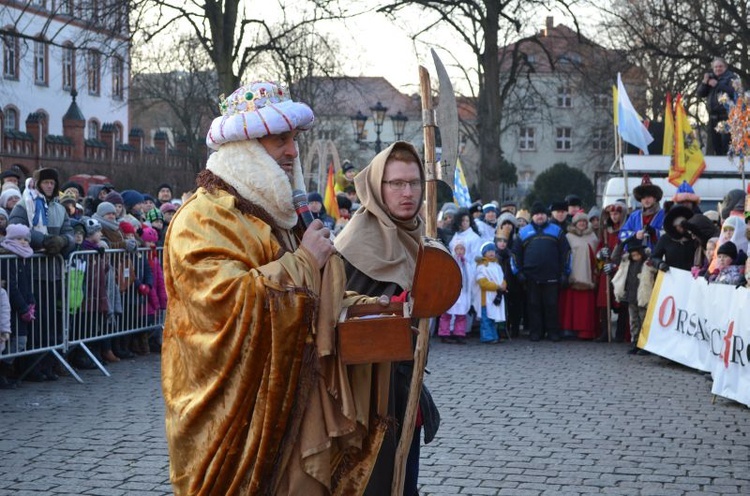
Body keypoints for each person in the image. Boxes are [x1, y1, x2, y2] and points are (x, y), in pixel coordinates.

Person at [162, 81, 386, 495]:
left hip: (291, 397)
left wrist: (371, 307)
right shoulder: (203, 218)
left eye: (294, 139)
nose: (292, 151)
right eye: (279, 140)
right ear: (245, 147)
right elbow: (222, 306)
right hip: (233, 417)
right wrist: (303, 262)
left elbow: (316, 289)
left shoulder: (275, 216)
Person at [334, 141, 440, 496]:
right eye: (395, 184)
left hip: (404, 389)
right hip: (368, 399)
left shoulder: (417, 236)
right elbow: (341, 318)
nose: (407, 192)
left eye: (413, 183)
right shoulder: (355, 243)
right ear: (377, 187)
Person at [511, 201, 571, 342]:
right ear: (532, 216)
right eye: (537, 214)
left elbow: (566, 253)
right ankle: (536, 332)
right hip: (531, 277)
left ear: (547, 216)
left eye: (542, 214)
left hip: (552, 276)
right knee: (533, 305)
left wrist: (565, 273)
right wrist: (518, 273)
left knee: (551, 305)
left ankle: (553, 332)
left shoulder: (556, 231)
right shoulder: (523, 232)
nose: (540, 217)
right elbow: (515, 254)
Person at [612, 237, 655, 355]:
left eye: (637, 255)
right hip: (631, 296)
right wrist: (622, 244)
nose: (635, 257)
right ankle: (635, 343)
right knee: (634, 321)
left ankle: (645, 345)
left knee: (644, 321)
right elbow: (614, 258)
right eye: (633, 255)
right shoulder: (626, 262)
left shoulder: (648, 263)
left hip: (643, 296)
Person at [559, 212, 599, 340]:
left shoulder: (592, 237)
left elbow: (597, 255)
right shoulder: (568, 237)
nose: (582, 224)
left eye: (584, 221)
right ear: (575, 224)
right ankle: (569, 329)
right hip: (574, 274)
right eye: (579, 222)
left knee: (586, 307)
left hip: (588, 275)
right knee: (571, 304)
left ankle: (585, 331)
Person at [696, 57, 736, 155]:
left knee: (726, 144)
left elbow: (734, 92)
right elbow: (700, 93)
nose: (718, 69)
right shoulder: (711, 79)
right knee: (715, 145)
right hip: (713, 117)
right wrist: (705, 83)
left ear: (725, 67)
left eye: (720, 66)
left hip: (726, 117)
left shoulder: (731, 78)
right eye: (716, 67)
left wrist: (717, 85)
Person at [437, 239, 472, 344]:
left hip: (463, 293)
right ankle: (444, 333)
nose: (460, 251)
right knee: (447, 313)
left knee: (461, 314)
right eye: (458, 249)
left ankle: (459, 333)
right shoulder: (450, 262)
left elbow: (470, 276)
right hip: (452, 292)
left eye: (462, 249)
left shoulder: (466, 263)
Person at [620, 175, 665, 252]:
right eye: (643, 198)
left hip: (657, 256)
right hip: (637, 257)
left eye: (649, 197)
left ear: (655, 198)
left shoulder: (664, 214)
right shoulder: (634, 216)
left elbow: (670, 235)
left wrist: (655, 232)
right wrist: (635, 235)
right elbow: (622, 234)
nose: (646, 200)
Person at [475, 241, 507, 344]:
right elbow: (482, 283)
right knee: (487, 318)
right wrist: (496, 286)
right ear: (484, 253)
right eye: (488, 251)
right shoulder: (481, 267)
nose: (491, 253)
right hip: (487, 297)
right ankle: (487, 336)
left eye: (492, 251)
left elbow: (502, 278)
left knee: (493, 317)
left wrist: (503, 285)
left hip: (496, 295)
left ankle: (494, 336)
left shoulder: (497, 265)